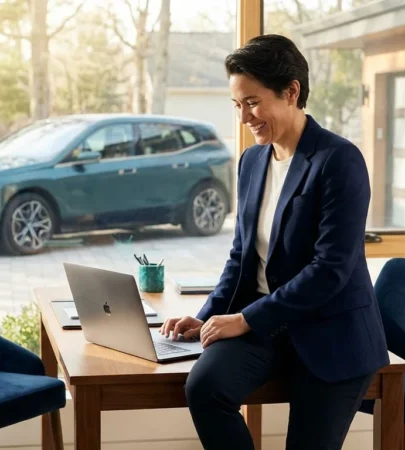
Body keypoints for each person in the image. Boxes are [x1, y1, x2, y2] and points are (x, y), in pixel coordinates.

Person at [159, 34, 389, 450]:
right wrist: (207, 316)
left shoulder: (339, 160)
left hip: (330, 332)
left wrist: (245, 319)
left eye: (252, 101)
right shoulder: (251, 161)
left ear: (291, 91)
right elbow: (241, 258)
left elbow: (329, 270)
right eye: (237, 104)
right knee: (204, 388)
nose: (244, 116)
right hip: (268, 326)